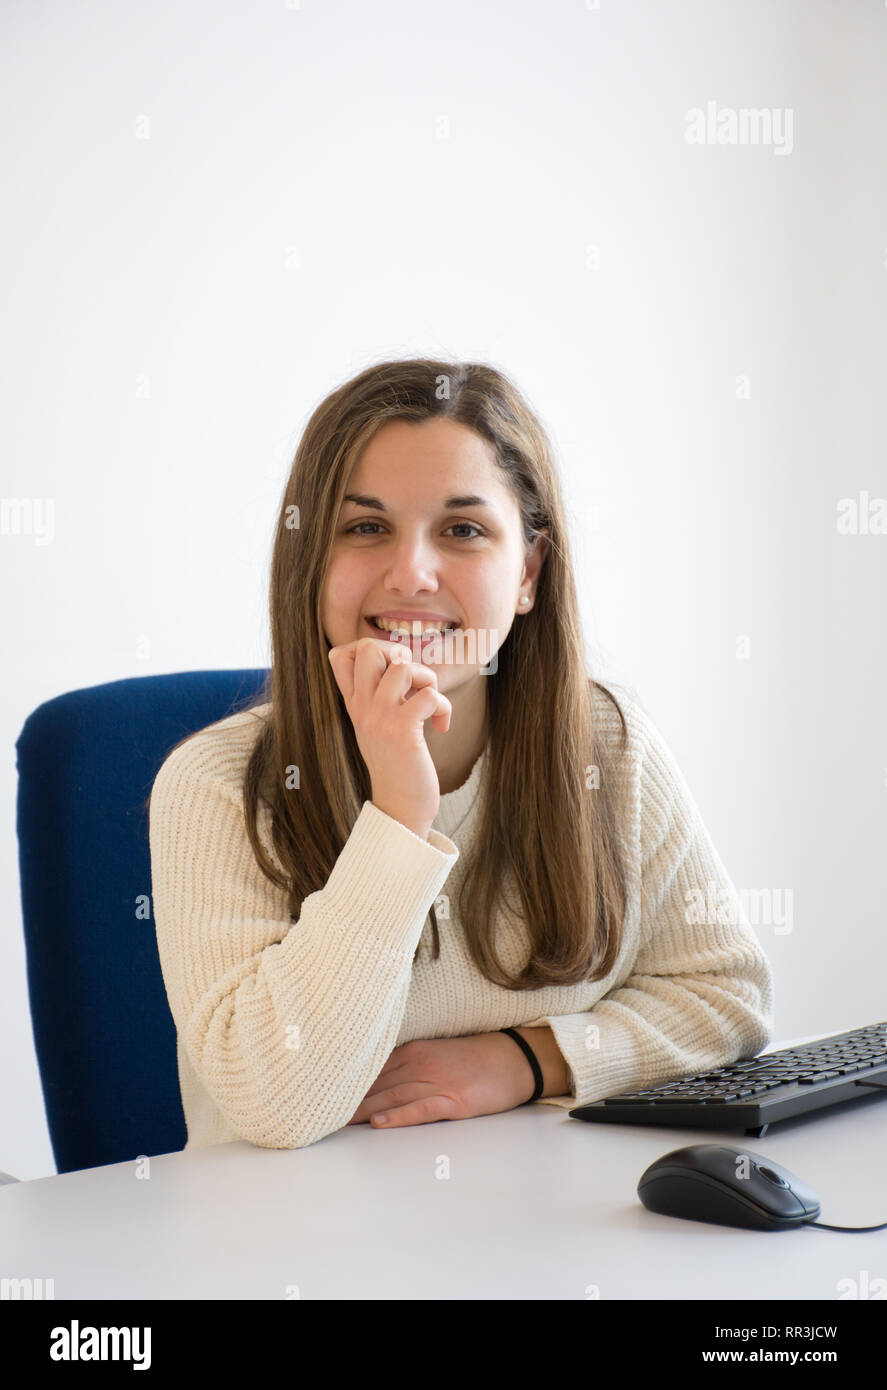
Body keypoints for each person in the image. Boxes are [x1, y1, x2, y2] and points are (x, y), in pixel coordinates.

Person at [147, 357, 774, 1151]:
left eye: (462, 530)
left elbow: (724, 994)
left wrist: (523, 1061)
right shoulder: (215, 788)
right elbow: (278, 1101)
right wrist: (399, 817)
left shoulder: (604, 745)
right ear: (309, 559)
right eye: (365, 527)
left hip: (539, 1232)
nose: (410, 573)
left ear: (529, 572)